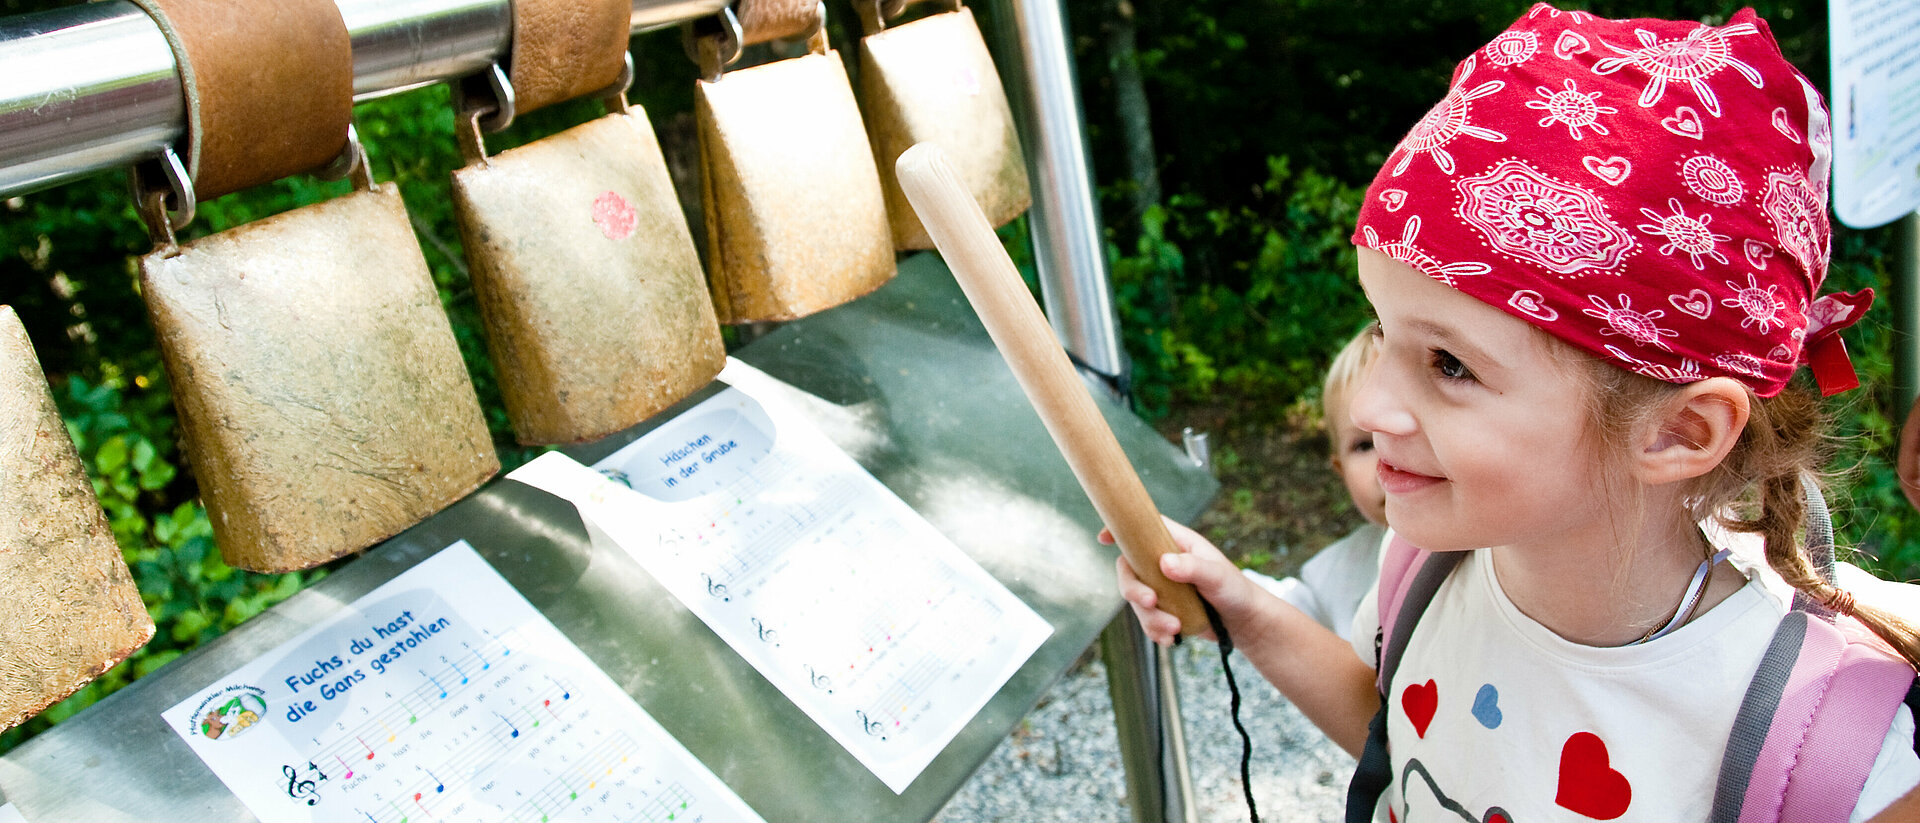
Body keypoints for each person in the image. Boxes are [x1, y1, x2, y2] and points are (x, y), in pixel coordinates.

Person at [1114, 5, 1920, 819]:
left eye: (1451, 364)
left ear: (1681, 430)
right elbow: (1397, 723)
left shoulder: (1828, 762)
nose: (1368, 404)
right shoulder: (1425, 574)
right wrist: (1248, 614)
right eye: (1380, 331)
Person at [1245, 328, 1386, 642]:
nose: (1388, 461)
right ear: (1340, 469)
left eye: (1402, 434)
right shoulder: (1344, 570)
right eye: (1364, 445)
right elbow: (1302, 619)